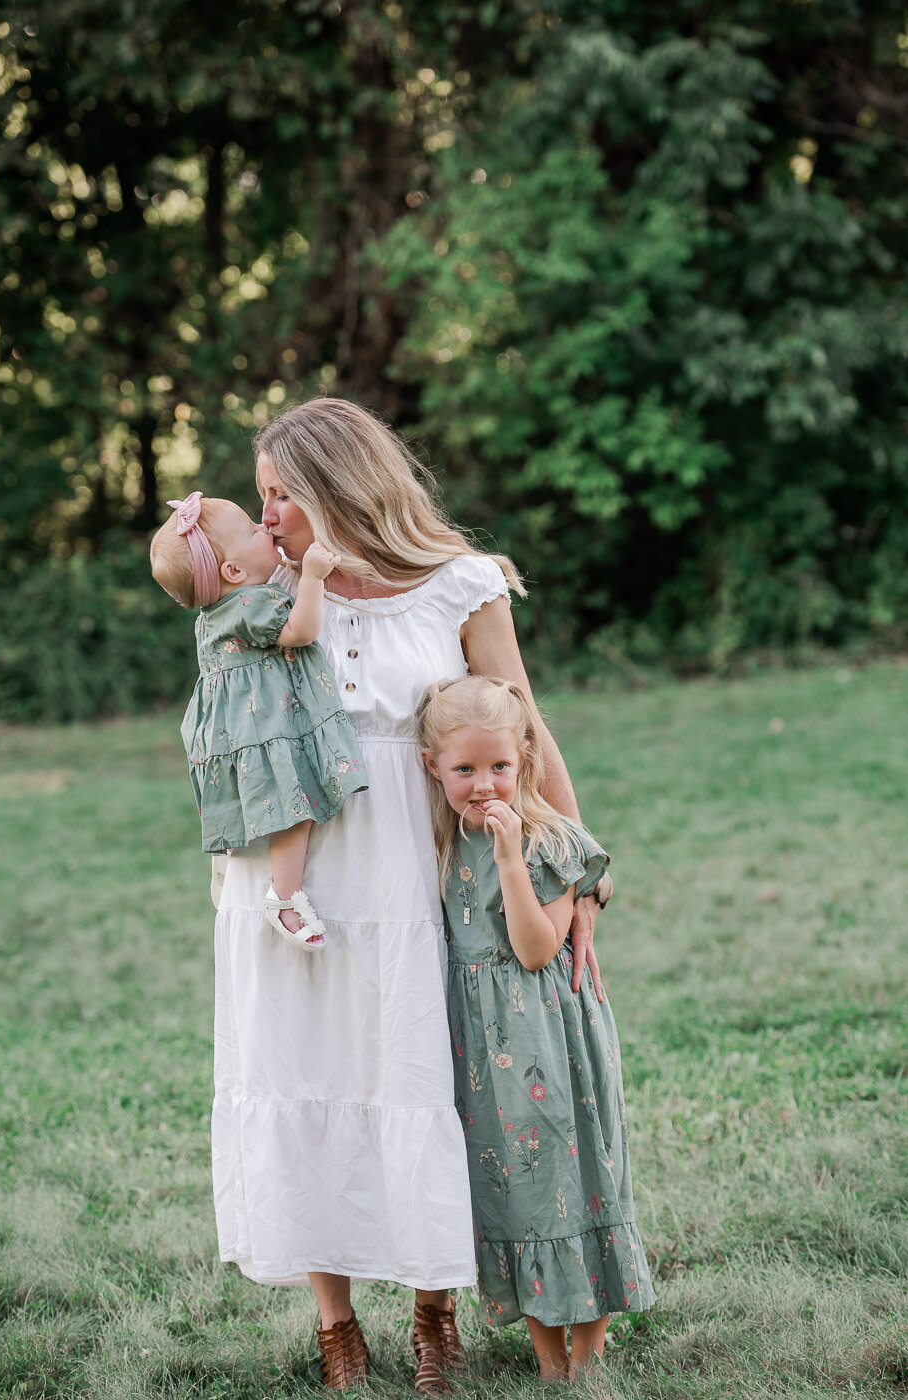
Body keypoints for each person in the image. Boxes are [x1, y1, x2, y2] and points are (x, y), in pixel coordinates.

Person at [209, 397, 611, 1393]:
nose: (267, 519)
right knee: (309, 1073)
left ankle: (435, 1308)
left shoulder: (460, 585)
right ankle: (337, 1322)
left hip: (423, 874)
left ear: (339, 484)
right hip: (297, 880)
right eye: (259, 497)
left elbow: (525, 724)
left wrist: (585, 871)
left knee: (423, 1075)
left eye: (280, 495)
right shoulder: (277, 592)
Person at [417, 674, 655, 1382]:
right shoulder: (442, 840)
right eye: (464, 769)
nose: (483, 783)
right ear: (433, 767)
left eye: (498, 765)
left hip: (551, 1041)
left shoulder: (544, 840)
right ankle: (548, 1360)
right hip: (486, 1053)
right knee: (518, 1188)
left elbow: (533, 948)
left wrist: (510, 858)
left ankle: (587, 1356)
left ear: (524, 755)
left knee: (574, 1177)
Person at [150, 490, 367, 947]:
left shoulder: (212, 615)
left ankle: (237, 873)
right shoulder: (251, 603)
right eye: (252, 529)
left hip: (237, 734)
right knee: (293, 806)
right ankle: (285, 895)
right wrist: (311, 575)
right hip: (267, 727)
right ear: (233, 571)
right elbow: (302, 632)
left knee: (273, 803)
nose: (263, 525)